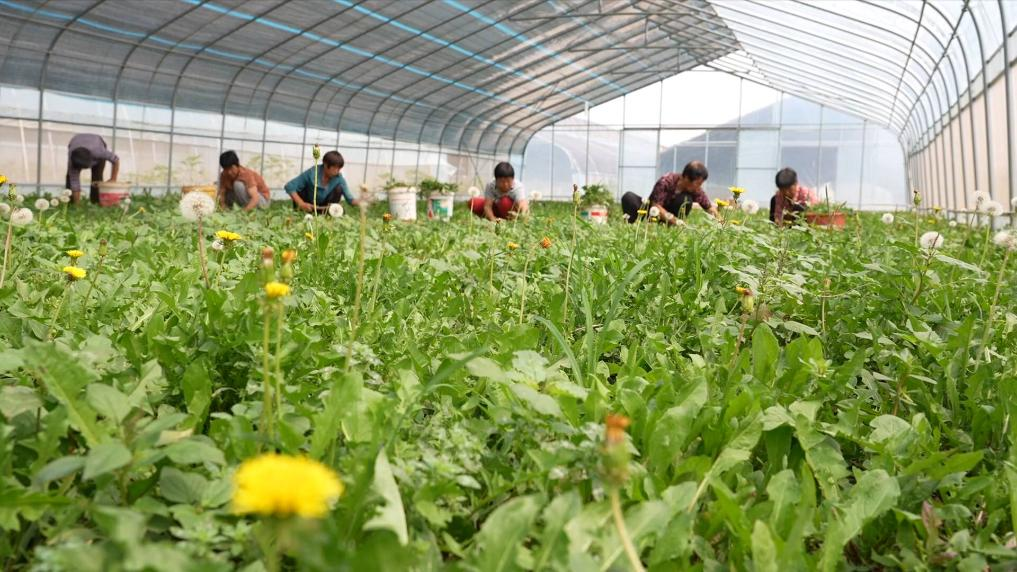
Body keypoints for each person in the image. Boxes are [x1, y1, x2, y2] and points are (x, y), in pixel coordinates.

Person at [621, 161, 719, 224]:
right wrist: (676, 221)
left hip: (669, 220)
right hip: (652, 213)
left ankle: (671, 228)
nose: (699, 187)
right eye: (698, 183)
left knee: (686, 199)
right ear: (686, 177)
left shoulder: (694, 189)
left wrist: (722, 223)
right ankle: (632, 225)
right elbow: (656, 206)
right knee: (629, 197)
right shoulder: (666, 181)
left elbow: (709, 207)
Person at [284, 150, 359, 212]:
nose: (337, 171)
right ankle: (301, 210)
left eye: (339, 169)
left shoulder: (339, 178)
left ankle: (330, 212)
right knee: (300, 187)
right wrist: (301, 203)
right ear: (326, 165)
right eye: (334, 168)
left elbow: (350, 200)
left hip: (323, 207)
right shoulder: (312, 173)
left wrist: (362, 201)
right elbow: (289, 186)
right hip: (308, 204)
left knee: (338, 188)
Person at [66, 133, 120, 204]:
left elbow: (116, 160)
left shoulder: (99, 151)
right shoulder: (72, 160)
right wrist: (77, 206)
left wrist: (113, 179)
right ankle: (70, 203)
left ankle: (96, 202)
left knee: (97, 177)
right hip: (76, 142)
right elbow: (74, 182)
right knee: (70, 178)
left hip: (97, 142)